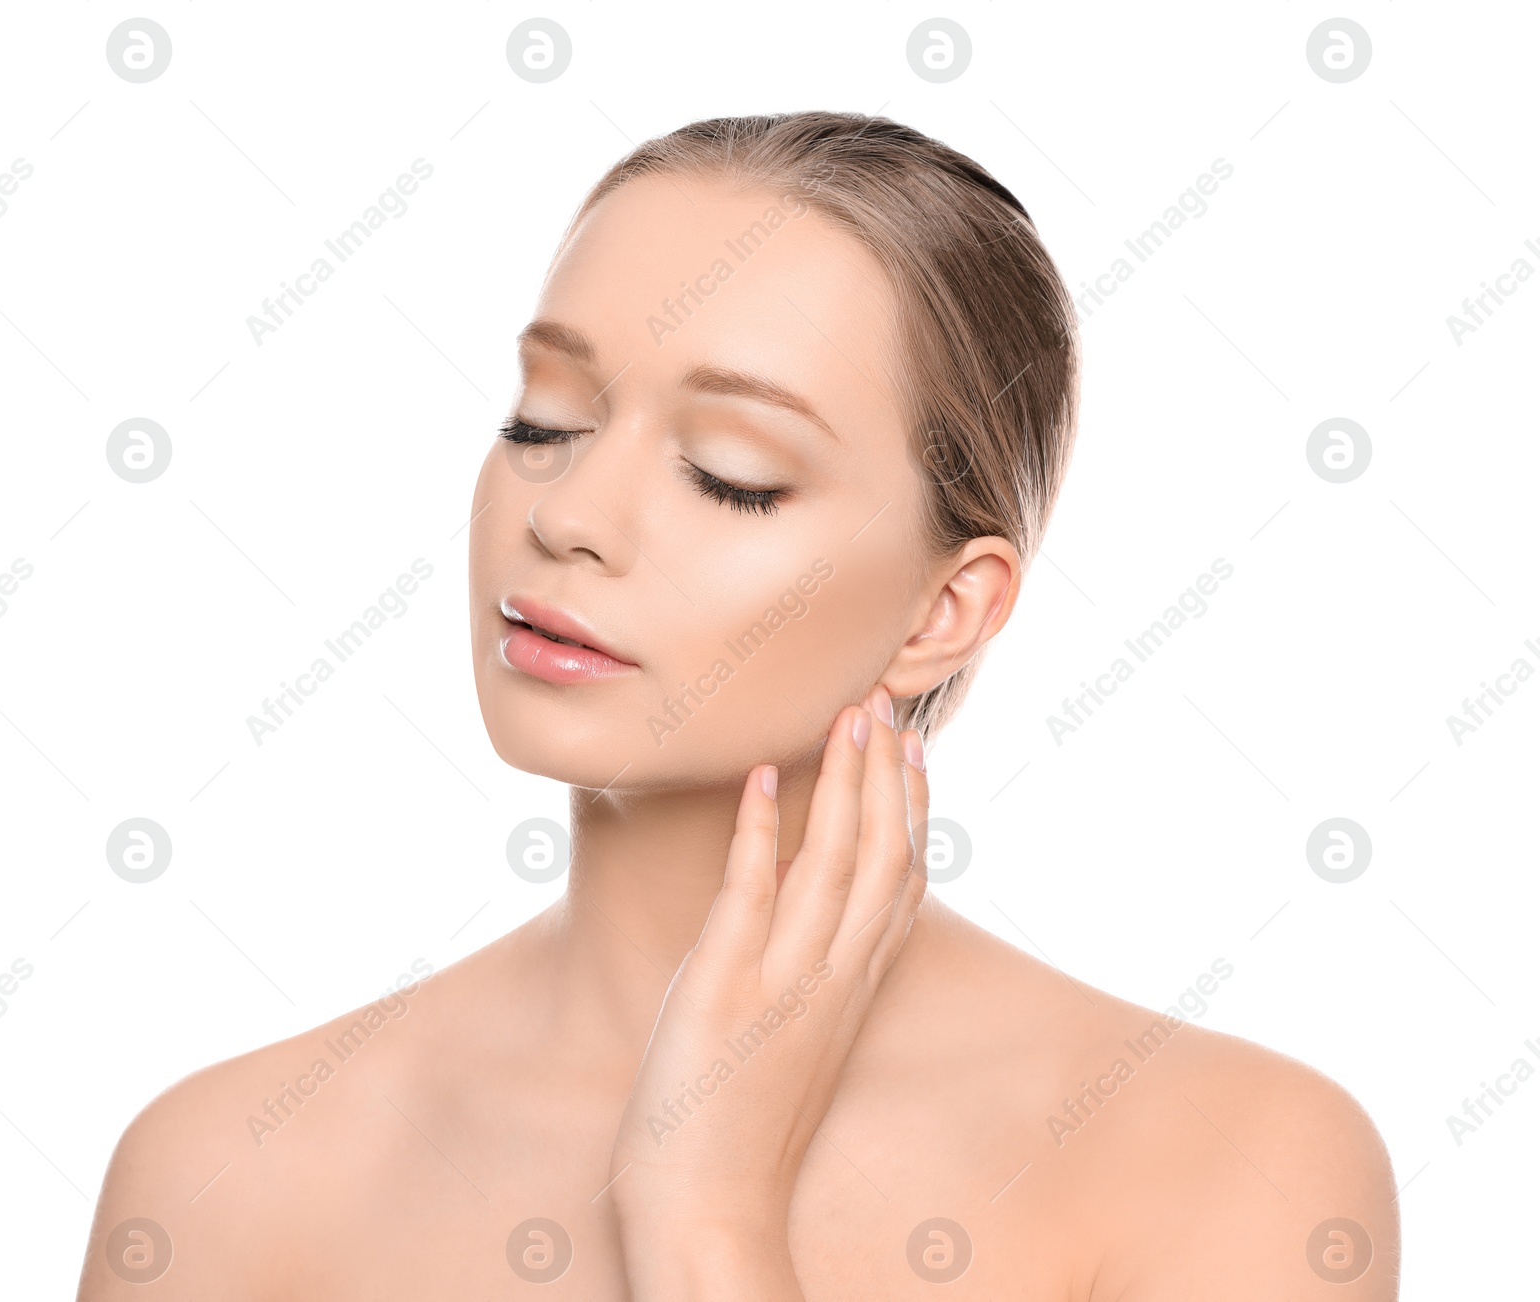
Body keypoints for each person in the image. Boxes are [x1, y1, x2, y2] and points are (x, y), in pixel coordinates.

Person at [77, 112, 1399, 1299]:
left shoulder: (1228, 1158)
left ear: (944, 611)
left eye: (732, 474)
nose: (571, 516)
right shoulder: (224, 1179)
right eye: (545, 421)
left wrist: (705, 1216)